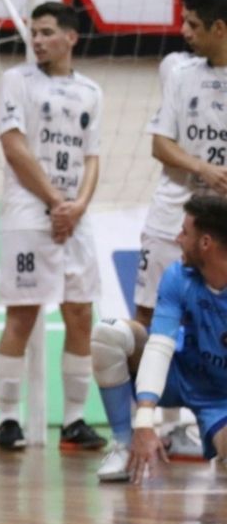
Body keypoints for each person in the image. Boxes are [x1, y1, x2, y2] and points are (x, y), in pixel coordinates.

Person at [0, 1, 107, 451]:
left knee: (80, 311)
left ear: (70, 37)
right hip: (28, 210)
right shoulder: (16, 80)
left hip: (74, 214)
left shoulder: (91, 91)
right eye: (33, 33)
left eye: (45, 32)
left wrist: (77, 205)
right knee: (22, 313)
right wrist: (57, 201)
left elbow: (93, 155)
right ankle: (7, 420)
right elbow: (12, 144)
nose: (36, 40)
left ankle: (75, 420)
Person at [133, 0, 227, 458]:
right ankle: (151, 426)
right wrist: (203, 168)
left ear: (219, 29)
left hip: (224, 219)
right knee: (148, 316)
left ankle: (210, 419)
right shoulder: (179, 71)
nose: (184, 32)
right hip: (176, 209)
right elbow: (159, 144)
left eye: (193, 24)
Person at [93, 195, 227, 483]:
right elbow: (159, 345)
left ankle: (195, 435)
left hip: (221, 399)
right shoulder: (178, 276)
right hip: (178, 372)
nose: (177, 239)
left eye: (184, 232)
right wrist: (144, 421)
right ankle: (123, 443)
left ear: (205, 242)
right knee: (108, 335)